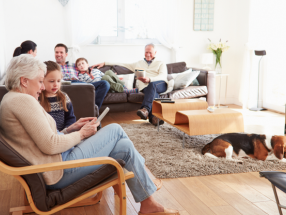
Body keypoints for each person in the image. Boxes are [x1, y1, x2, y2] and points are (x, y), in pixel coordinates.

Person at [0, 54, 179, 215]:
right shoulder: (23, 101)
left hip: (55, 163)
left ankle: (148, 203)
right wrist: (82, 134)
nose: (41, 87)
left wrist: (71, 129)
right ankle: (145, 179)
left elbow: (44, 138)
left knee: (124, 147)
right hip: (58, 170)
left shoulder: (12, 99)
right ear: (24, 81)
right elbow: (51, 145)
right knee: (115, 129)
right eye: (40, 81)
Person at [93, 43, 167, 126]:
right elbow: (122, 64)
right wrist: (105, 63)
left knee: (153, 85)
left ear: (155, 52)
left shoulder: (161, 63)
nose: (148, 54)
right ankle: (153, 118)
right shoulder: (138, 63)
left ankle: (145, 109)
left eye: (150, 52)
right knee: (153, 92)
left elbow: (163, 76)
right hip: (147, 87)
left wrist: (150, 79)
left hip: (161, 83)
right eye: (146, 52)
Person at [54, 43, 109, 110]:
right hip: (66, 85)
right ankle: (92, 112)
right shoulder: (53, 66)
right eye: (57, 52)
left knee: (104, 83)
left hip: (80, 84)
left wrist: (104, 63)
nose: (58, 54)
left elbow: (85, 67)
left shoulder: (74, 65)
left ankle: (93, 109)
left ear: (66, 54)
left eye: (61, 52)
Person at [39, 61, 76, 132]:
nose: (56, 84)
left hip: (64, 135)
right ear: (42, 80)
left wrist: (66, 130)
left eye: (58, 81)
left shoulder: (64, 97)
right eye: (52, 81)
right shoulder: (37, 99)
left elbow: (70, 118)